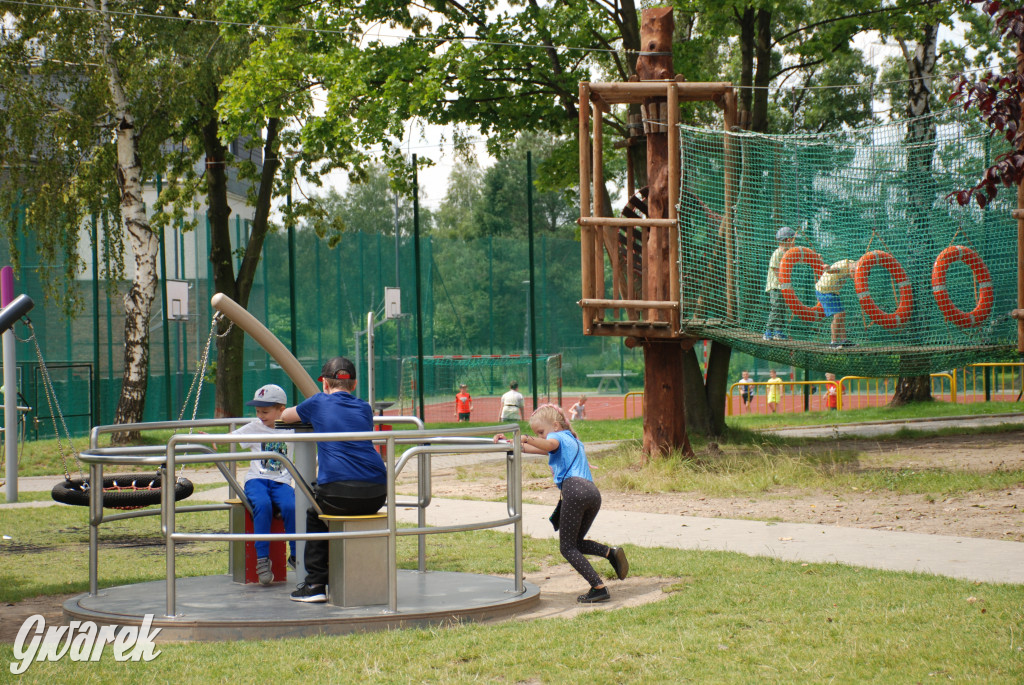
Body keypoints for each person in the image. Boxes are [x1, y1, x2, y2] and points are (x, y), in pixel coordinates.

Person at [494, 405, 627, 603]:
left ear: (555, 425)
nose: (539, 436)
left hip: (574, 491)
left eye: (541, 432)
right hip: (592, 493)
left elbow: (547, 445)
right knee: (577, 543)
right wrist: (507, 442)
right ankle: (610, 553)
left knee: (566, 548)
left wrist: (525, 437)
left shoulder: (558, 438)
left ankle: (598, 587)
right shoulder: (573, 441)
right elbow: (530, 448)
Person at [281, 356, 387, 603]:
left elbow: (286, 416)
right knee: (331, 508)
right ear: (355, 384)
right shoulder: (364, 408)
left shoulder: (318, 402)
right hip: (376, 493)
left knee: (315, 513)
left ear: (324, 385)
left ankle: (316, 583)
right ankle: (357, 574)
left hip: (340, 492)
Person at [232, 384, 296, 586]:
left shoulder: (292, 428)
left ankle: (295, 554)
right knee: (263, 505)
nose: (260, 415)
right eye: (258, 411)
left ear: (281, 410)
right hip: (257, 480)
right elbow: (233, 438)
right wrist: (214, 440)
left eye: (265, 412)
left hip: (281, 481)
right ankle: (262, 559)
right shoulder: (254, 426)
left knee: (291, 506)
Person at [815, 258, 859, 348]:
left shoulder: (851, 263)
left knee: (842, 314)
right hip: (825, 291)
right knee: (839, 315)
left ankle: (844, 340)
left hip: (833, 292)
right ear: (852, 270)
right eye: (855, 276)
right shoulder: (843, 266)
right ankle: (833, 342)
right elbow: (835, 270)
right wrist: (828, 269)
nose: (855, 278)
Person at [764, 226, 797, 341]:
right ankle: (768, 331)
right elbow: (775, 269)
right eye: (793, 240)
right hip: (775, 286)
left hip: (783, 287)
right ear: (788, 240)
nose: (794, 242)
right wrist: (784, 283)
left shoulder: (787, 253)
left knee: (782, 308)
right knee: (776, 308)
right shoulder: (777, 253)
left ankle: (778, 331)